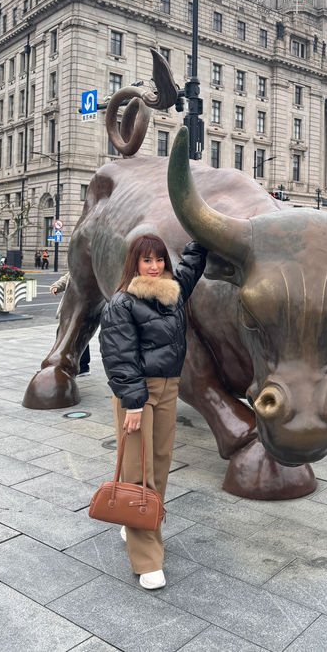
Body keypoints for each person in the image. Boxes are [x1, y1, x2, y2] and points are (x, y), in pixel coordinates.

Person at [99, 234, 207, 590]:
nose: (155, 266)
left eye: (159, 259)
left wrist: (201, 238)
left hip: (169, 389)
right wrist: (131, 401)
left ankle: (137, 518)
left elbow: (190, 269)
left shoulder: (171, 293)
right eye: (147, 260)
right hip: (139, 394)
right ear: (135, 263)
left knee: (159, 463)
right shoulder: (122, 303)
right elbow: (118, 355)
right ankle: (147, 560)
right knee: (138, 469)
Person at [50, 272, 90, 375]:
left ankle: (82, 366)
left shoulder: (92, 270)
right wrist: (56, 286)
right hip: (71, 307)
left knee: (79, 335)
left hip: (83, 308)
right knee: (62, 332)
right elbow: (67, 277)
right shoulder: (77, 268)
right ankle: (64, 360)